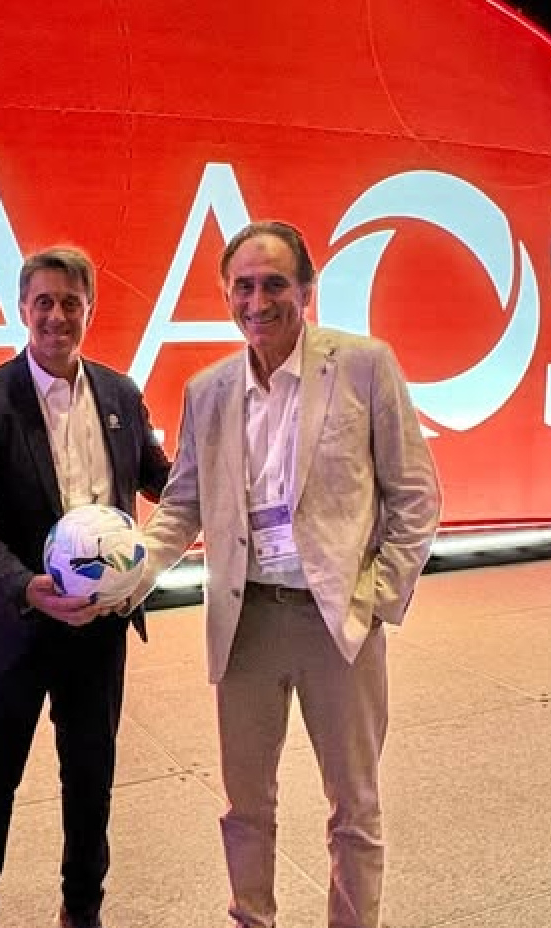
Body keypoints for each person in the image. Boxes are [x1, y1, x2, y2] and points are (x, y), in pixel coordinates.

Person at [128, 221, 441, 928]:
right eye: (243, 286)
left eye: (274, 283)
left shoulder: (363, 366)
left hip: (338, 621)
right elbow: (181, 505)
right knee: (245, 805)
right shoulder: (208, 390)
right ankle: (252, 918)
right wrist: (129, 577)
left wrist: (377, 597)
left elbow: (416, 494)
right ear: (226, 295)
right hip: (245, 623)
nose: (258, 301)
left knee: (354, 806)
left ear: (305, 289)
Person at [0, 245, 171, 928]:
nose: (57, 316)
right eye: (44, 301)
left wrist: (222, 474)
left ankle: (82, 908)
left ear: (89, 309)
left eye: (71, 302)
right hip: (10, 625)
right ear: (22, 308)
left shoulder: (120, 394)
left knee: (91, 778)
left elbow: (159, 478)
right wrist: (26, 587)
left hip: (97, 626)